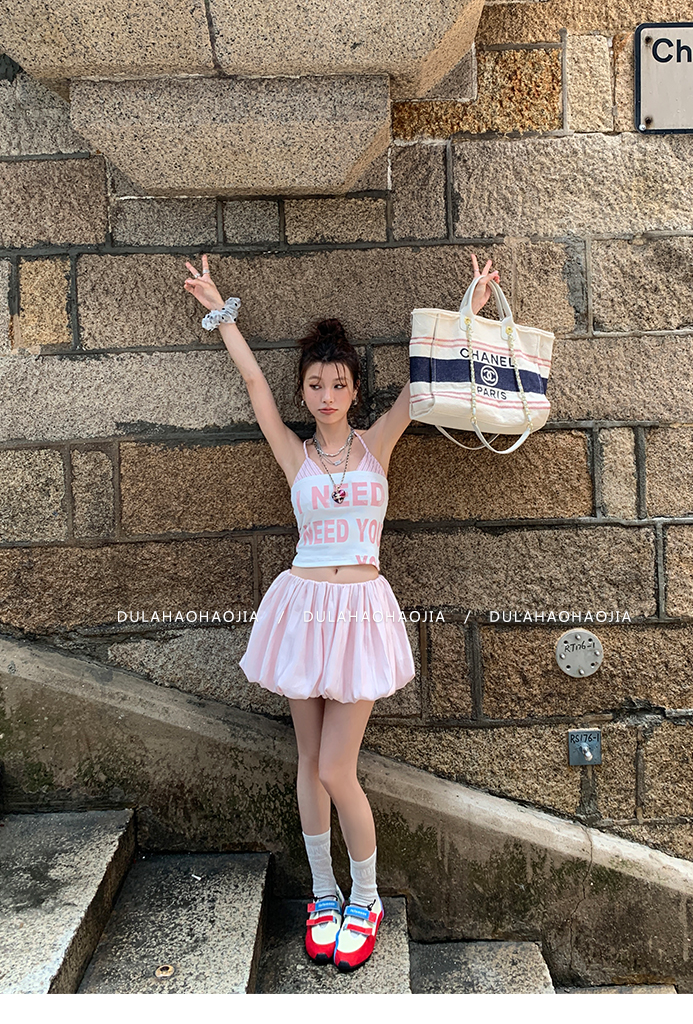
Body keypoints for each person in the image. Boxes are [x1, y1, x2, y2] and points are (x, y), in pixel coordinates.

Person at [183, 250, 501, 972]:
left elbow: (422, 386)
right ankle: (323, 893)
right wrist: (220, 311)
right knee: (307, 761)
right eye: (315, 384)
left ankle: (367, 896)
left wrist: (470, 309)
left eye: (338, 383)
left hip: (358, 613)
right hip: (302, 608)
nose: (326, 394)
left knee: (336, 766)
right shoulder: (294, 453)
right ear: (304, 391)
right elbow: (254, 384)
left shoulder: (376, 443)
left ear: (355, 389)